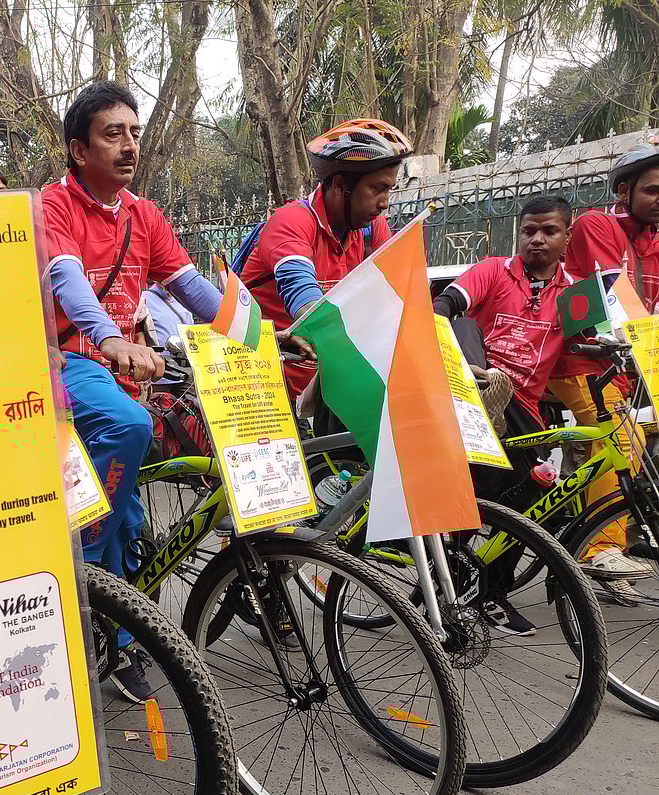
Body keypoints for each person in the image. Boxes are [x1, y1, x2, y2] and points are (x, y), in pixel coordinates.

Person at [42, 82, 223, 702]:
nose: (128, 145)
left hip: (125, 372)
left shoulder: (145, 216)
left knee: (135, 513)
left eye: (134, 132)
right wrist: (110, 340)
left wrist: (257, 334)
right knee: (130, 432)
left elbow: (191, 289)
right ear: (77, 149)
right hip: (64, 363)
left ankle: (116, 644)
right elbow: (66, 281)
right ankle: (84, 568)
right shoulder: (53, 206)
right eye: (111, 134)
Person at [432, 195, 577, 635]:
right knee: (461, 324)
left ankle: (485, 591)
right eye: (528, 231)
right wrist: (459, 353)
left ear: (566, 236)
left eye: (549, 231)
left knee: (530, 506)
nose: (536, 239)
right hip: (472, 394)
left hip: (527, 414)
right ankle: (461, 589)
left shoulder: (576, 293)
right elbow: (445, 305)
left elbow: (600, 338)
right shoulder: (493, 270)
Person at [545, 137, 659, 589]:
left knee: (634, 439)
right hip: (576, 362)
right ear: (624, 191)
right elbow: (617, 301)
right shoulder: (598, 225)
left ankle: (622, 529)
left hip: (625, 363)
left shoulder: (653, 241)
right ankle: (600, 550)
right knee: (621, 434)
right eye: (653, 190)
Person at [239, 119, 413, 401]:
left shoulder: (372, 230)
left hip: (327, 384)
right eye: (377, 188)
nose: (384, 203)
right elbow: (305, 300)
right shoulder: (292, 221)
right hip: (262, 388)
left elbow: (400, 303)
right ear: (340, 185)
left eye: (388, 190)